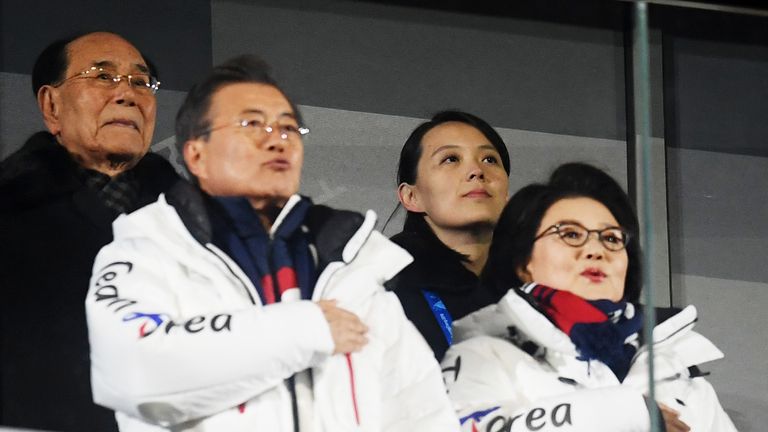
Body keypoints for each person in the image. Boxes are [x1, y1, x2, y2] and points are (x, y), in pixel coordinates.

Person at [85, 54, 459, 431]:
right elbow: (132, 371)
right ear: (197, 154)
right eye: (251, 124)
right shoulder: (146, 249)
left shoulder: (353, 265)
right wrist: (304, 330)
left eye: (288, 128)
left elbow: (422, 412)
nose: (277, 141)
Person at [442, 162, 737, 431]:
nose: (596, 250)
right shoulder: (482, 356)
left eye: (611, 238)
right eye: (570, 234)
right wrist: (630, 414)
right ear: (523, 263)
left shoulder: (678, 370)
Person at [0, 32, 179, 431]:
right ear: (52, 105)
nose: (127, 94)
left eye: (140, 82)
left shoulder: (203, 227)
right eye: (102, 77)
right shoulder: (10, 211)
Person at [386, 111, 510, 361]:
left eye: (489, 159)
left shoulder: (535, 290)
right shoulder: (384, 286)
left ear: (506, 195)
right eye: (451, 159)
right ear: (412, 197)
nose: (476, 170)